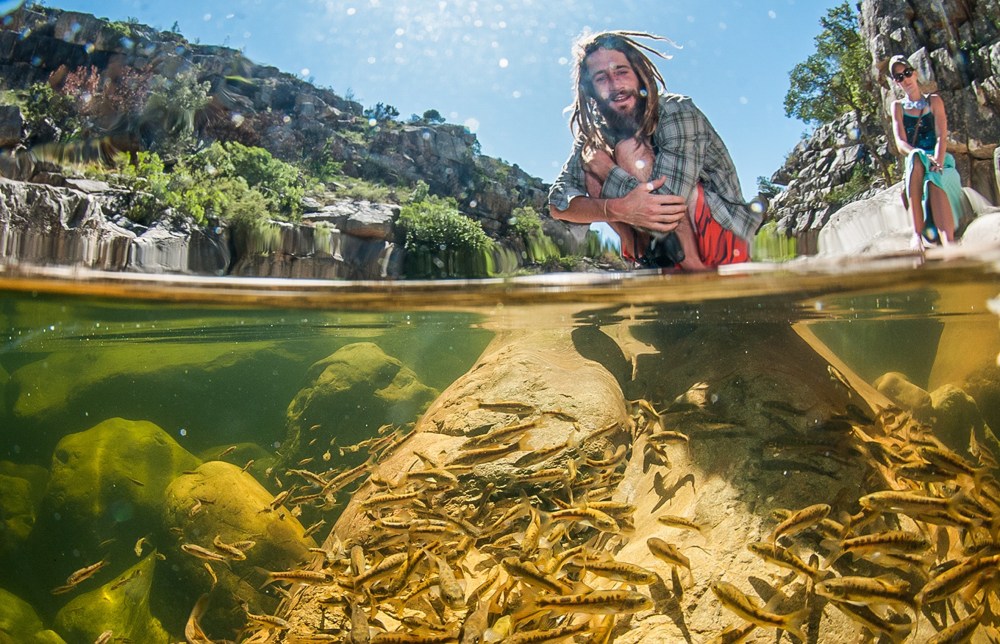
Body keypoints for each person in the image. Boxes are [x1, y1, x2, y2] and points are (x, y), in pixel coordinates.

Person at [548, 31, 762, 270]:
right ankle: (649, 258)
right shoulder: (593, 135)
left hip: (727, 243)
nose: (615, 85)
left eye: (621, 72)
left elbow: (665, 205)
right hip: (663, 247)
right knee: (593, 159)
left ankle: (697, 272)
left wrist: (606, 170)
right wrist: (615, 209)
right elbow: (558, 204)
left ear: (639, 75)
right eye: (601, 78)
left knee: (627, 151)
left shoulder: (676, 111)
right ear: (591, 91)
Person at [887, 54, 963, 248]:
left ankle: (948, 242)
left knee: (933, 178)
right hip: (916, 162)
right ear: (896, 82)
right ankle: (916, 234)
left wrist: (937, 160)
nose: (905, 79)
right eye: (899, 77)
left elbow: (941, 136)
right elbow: (900, 143)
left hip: (940, 159)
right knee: (915, 157)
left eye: (907, 73)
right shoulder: (897, 107)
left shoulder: (934, 101)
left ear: (914, 73)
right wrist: (920, 155)